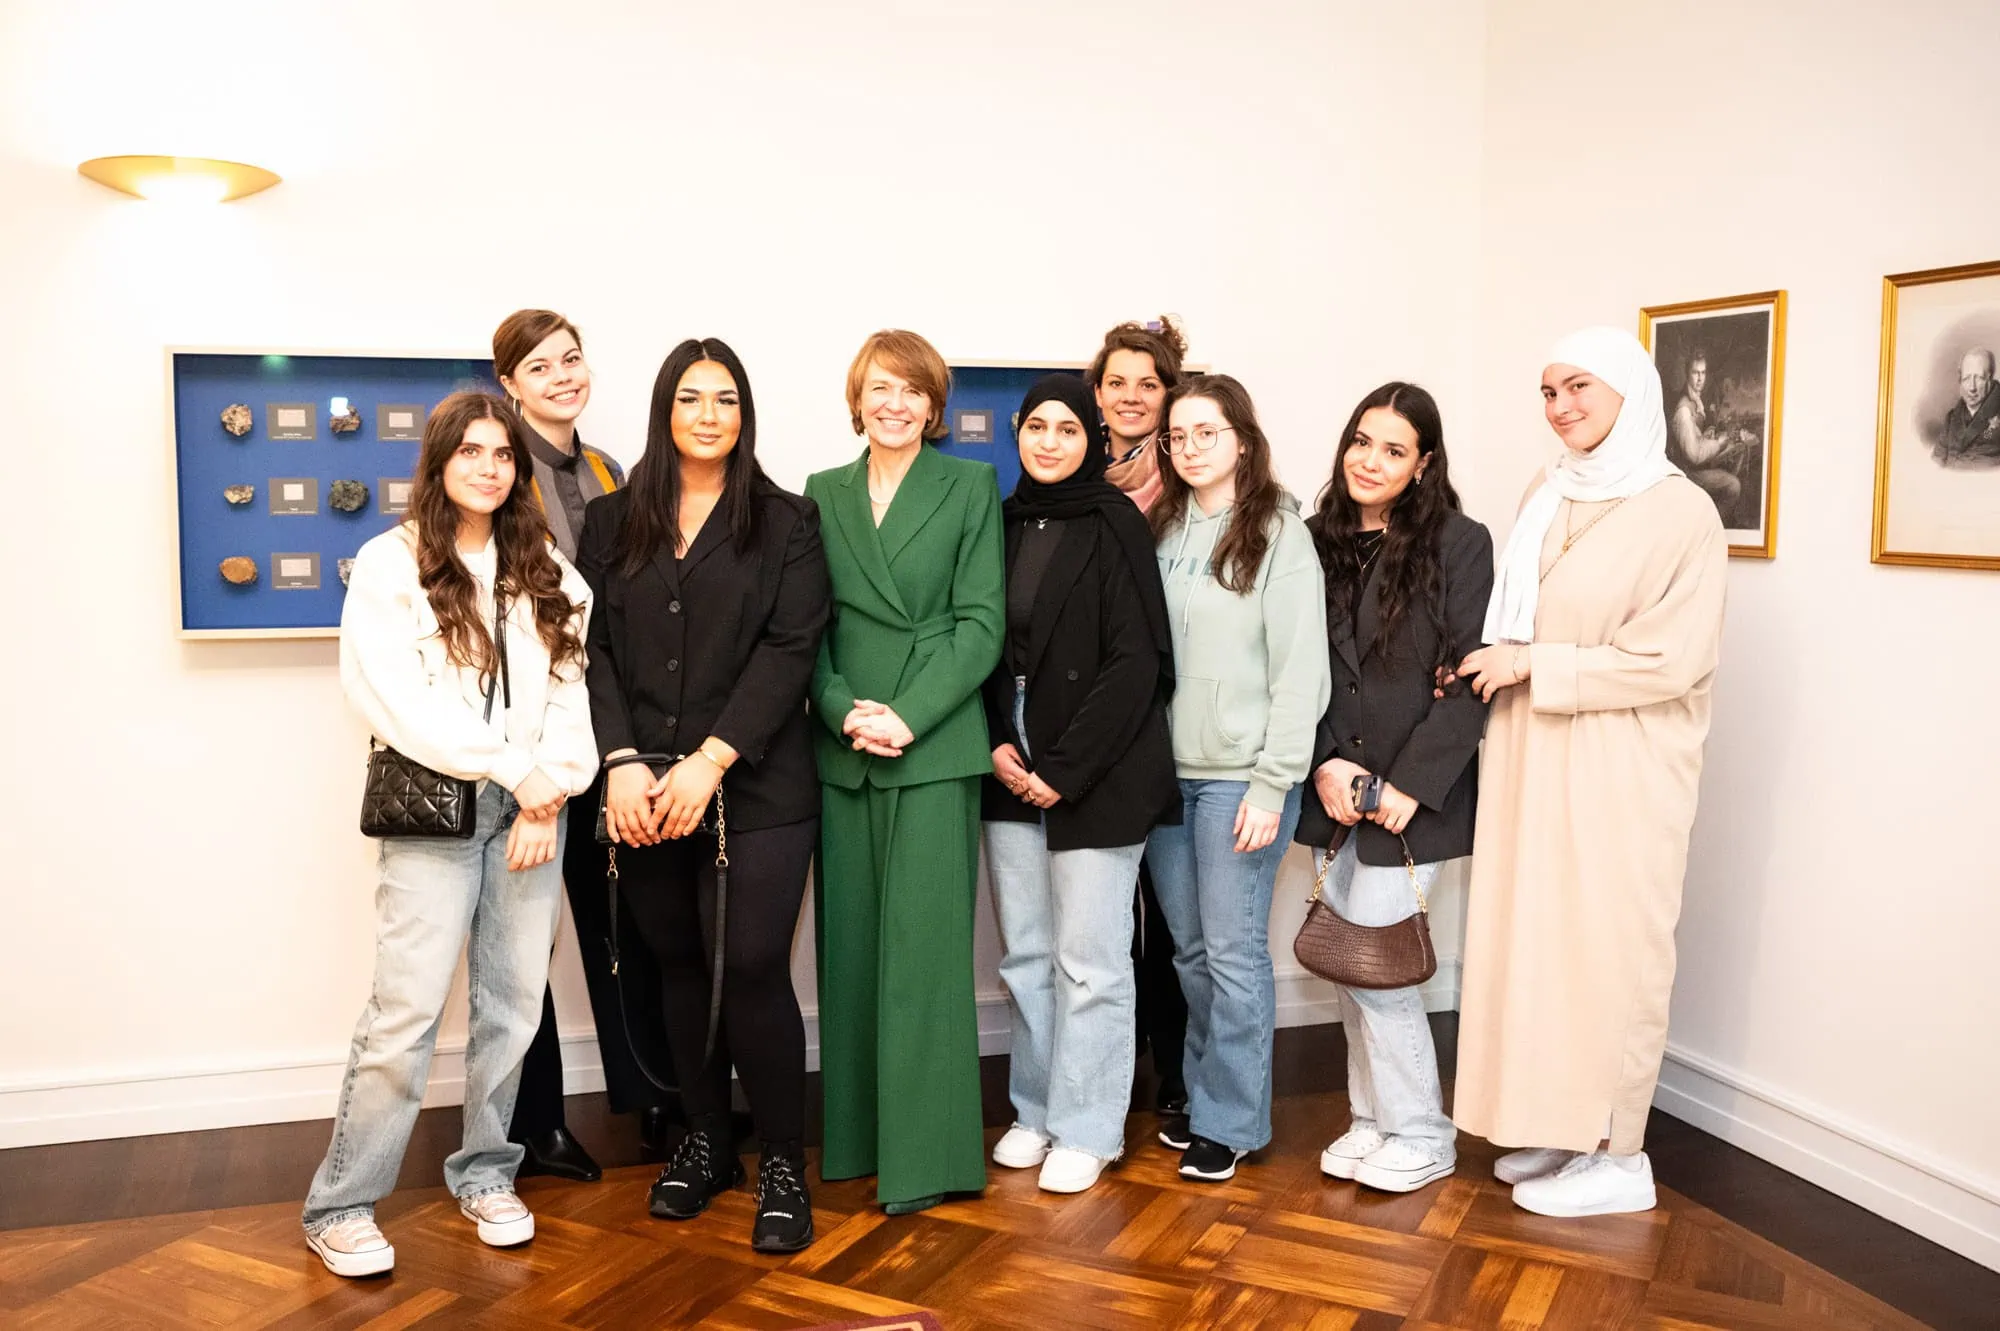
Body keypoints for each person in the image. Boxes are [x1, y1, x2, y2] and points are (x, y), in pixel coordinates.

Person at [302, 391, 597, 1277]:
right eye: (469, 451)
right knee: (407, 1012)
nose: (488, 467)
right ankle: (342, 1203)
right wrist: (519, 773)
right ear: (438, 463)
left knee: (514, 1009)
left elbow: (572, 688)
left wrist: (548, 795)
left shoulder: (542, 565)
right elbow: (396, 701)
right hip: (437, 814)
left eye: (502, 454)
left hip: (531, 815)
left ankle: (487, 1172)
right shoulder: (390, 564)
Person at [1452, 326, 1727, 1218]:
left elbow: (1671, 659)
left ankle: (1621, 1151)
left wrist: (1538, 664)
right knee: (1543, 940)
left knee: (1615, 947)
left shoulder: (1682, 512)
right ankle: (1565, 1123)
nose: (1561, 407)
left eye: (1579, 387)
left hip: (1625, 763)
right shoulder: (1548, 488)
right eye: (1547, 391)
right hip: (1536, 748)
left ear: (1628, 395)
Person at [578, 338, 829, 1252]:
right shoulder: (610, 522)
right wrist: (621, 760)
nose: (710, 415)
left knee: (753, 963)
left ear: (744, 413)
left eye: (726, 399)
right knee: (677, 961)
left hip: (756, 786)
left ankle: (781, 1163)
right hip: (641, 784)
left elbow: (789, 649)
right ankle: (706, 1139)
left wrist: (711, 758)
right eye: (692, 399)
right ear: (665, 410)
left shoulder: (788, 521)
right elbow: (592, 649)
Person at [805, 330, 1004, 1214]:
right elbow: (801, 627)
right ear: (859, 398)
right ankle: (854, 1144)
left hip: (932, 745)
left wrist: (908, 715)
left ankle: (929, 1157)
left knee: (923, 961)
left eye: (912, 391)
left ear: (934, 406)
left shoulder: (969, 487)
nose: (895, 404)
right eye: (880, 388)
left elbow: (980, 625)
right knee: (850, 957)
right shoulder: (821, 492)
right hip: (845, 743)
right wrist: (842, 706)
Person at [981, 374, 1179, 1194]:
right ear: (1018, 434)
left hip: (1097, 763)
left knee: (1090, 959)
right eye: (1037, 426)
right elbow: (981, 642)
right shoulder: (995, 521)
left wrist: (1062, 770)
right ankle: (1037, 1110)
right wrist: (997, 738)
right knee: (1027, 954)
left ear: (1091, 439)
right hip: (1007, 757)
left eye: (1069, 428)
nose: (1051, 441)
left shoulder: (1115, 522)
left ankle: (1091, 1127)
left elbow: (1140, 663)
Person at [492, 308, 677, 1180]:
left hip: (605, 736)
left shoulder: (610, 470)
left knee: (625, 929)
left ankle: (654, 1108)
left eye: (571, 359)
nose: (563, 376)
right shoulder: (496, 472)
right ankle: (533, 1130)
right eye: (540, 366)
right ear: (510, 384)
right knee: (525, 945)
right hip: (525, 749)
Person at [1296, 383, 1492, 1194]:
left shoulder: (1459, 542)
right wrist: (1326, 760)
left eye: (1393, 449)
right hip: (1337, 784)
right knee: (1349, 962)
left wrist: (1408, 781)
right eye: (1361, 442)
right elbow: (1294, 667)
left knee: (1382, 963)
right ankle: (1372, 1119)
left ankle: (1422, 1131)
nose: (1370, 461)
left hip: (1416, 794)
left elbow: (1474, 671)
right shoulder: (1313, 539)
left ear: (1425, 464)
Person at [1145, 374, 1330, 1182]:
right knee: (1189, 951)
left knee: (1231, 952)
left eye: (1205, 433)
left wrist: (1272, 782)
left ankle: (1232, 1121)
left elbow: (1302, 674)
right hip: (1165, 778)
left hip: (1241, 779)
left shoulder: (1280, 535)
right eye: (1176, 436)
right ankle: (1201, 1091)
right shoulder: (1160, 525)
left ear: (1243, 442)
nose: (1188, 448)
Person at [1086, 316, 1193, 1119]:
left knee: (1176, 918)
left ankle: (1183, 1077)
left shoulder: (1194, 483)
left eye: (1146, 384)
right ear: (1097, 394)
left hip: (1179, 724)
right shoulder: (1068, 469)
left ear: (1169, 395)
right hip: (1097, 728)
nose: (1130, 397)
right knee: (1109, 918)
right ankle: (1114, 1072)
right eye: (1116, 382)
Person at [1665, 350, 1750, 519]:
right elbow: (1694, 455)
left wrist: (1709, 435)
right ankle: (1710, 527)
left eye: (1703, 373)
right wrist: (1719, 442)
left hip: (1695, 468)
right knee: (1733, 485)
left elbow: (1696, 436)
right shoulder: (1683, 410)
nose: (1700, 378)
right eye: (1695, 373)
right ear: (1687, 374)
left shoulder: (1696, 400)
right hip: (1687, 474)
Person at [1936, 348, 2000, 466]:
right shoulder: (1951, 419)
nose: (1972, 388)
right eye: (1966, 379)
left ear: (1990, 380)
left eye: (1979, 378)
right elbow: (1936, 459)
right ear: (1960, 381)